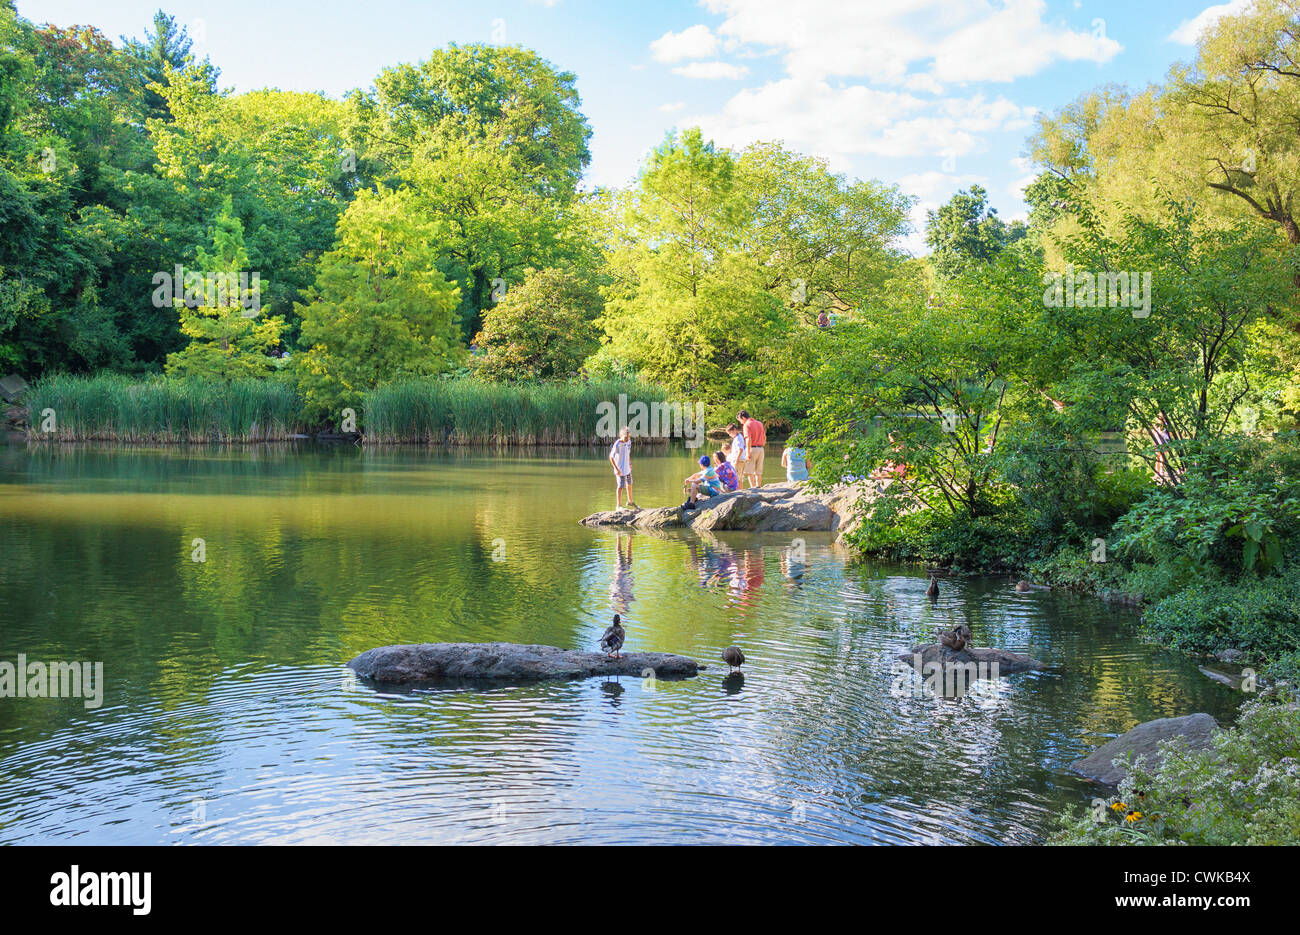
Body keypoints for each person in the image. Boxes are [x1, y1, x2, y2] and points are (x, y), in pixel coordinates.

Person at [609, 426, 637, 510]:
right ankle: (618, 506)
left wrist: (630, 463)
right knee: (620, 486)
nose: (628, 439)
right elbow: (611, 457)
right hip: (620, 469)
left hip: (627, 468)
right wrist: (616, 469)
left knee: (629, 483)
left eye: (629, 437)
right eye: (626, 437)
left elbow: (628, 453)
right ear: (621, 435)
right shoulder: (617, 444)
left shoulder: (629, 442)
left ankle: (630, 501)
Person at [737, 410, 766, 488]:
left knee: (750, 471)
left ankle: (753, 488)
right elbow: (764, 436)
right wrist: (762, 444)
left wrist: (748, 452)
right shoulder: (760, 423)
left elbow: (748, 439)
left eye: (740, 420)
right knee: (759, 471)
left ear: (743, 418)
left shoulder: (747, 425)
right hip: (761, 449)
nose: (740, 423)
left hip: (752, 448)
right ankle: (759, 486)